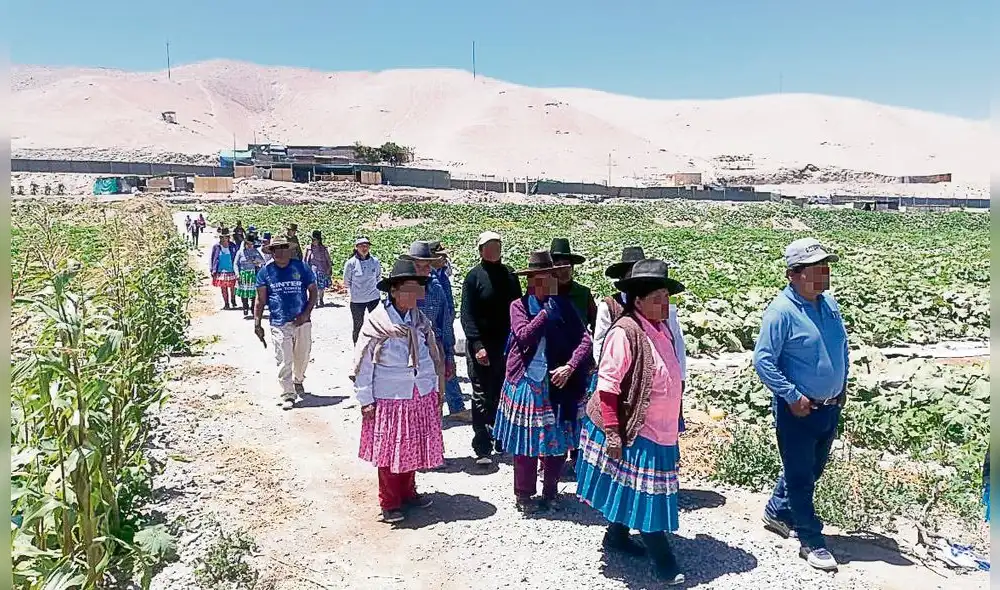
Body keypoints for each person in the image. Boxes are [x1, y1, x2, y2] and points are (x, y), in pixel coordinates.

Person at [575, 259, 687, 586]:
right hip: (636, 430)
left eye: (666, 296)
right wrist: (612, 433)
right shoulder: (625, 333)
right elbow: (608, 388)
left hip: (661, 429)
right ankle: (665, 561)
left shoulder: (661, 327)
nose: (664, 304)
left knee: (633, 489)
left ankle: (616, 536)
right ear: (637, 301)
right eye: (657, 298)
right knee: (649, 496)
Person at [754, 237, 847, 572]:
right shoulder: (781, 312)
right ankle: (811, 540)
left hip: (829, 406)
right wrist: (792, 396)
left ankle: (777, 510)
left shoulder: (829, 304)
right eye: (817, 269)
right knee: (800, 476)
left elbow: (841, 348)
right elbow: (763, 360)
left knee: (812, 469)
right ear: (793, 273)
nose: (825, 274)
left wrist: (842, 384)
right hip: (798, 410)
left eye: (826, 268)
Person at [494, 250, 593, 512]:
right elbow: (524, 335)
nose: (545, 283)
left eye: (549, 277)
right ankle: (524, 494)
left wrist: (570, 367)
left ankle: (551, 492)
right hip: (526, 380)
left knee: (557, 440)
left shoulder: (564, 306)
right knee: (526, 442)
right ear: (530, 281)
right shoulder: (519, 306)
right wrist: (546, 313)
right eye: (539, 278)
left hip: (557, 382)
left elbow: (585, 339)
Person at [350, 257, 446, 524]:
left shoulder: (419, 320)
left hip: (418, 391)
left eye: (418, 288)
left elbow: (429, 355)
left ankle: (408, 491)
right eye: (410, 289)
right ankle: (389, 501)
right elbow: (364, 364)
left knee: (412, 444)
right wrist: (365, 399)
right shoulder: (377, 323)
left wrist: (435, 388)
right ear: (394, 291)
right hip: (390, 395)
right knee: (390, 448)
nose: (416, 294)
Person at [594, 247, 688, 431]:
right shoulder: (611, 309)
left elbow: (677, 342)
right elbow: (599, 345)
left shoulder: (666, 311)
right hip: (626, 381)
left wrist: (679, 377)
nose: (663, 302)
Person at [460, 231, 523, 465]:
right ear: (480, 251)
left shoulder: (510, 275)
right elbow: (467, 315)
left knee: (502, 392)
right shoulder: (473, 277)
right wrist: (477, 344)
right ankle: (482, 443)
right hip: (481, 346)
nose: (493, 249)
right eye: (489, 246)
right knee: (481, 394)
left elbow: (518, 309)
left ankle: (500, 436)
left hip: (506, 345)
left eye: (497, 245)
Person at [254, 236, 318, 410]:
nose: (280, 252)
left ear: (289, 250)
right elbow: (260, 300)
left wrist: (306, 314)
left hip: (302, 321)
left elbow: (313, 291)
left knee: (302, 356)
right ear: (272, 252)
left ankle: (298, 380)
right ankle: (288, 393)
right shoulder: (265, 272)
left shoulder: (301, 267)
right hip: (279, 322)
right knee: (284, 358)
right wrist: (257, 322)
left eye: (283, 248)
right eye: (276, 249)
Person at [405, 241, 462, 419]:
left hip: (433, 350)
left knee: (433, 397)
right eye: (418, 266)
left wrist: (449, 356)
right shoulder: (399, 289)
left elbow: (445, 324)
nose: (423, 271)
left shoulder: (436, 289)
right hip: (405, 351)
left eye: (426, 266)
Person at [428, 240, 470, 420]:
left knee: (447, 367)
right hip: (435, 331)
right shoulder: (429, 280)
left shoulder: (441, 274)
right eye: (441, 255)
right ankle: (454, 407)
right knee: (443, 367)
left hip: (445, 326)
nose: (445, 257)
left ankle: (455, 407)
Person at [550, 238, 598, 332]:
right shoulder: (543, 293)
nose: (563, 270)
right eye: (558, 266)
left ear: (572, 268)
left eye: (566, 265)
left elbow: (596, 324)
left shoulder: (583, 293)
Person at [344, 236, 383, 344]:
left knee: (377, 323)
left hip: (373, 298)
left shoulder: (375, 261)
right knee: (358, 325)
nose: (364, 248)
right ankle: (358, 348)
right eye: (361, 246)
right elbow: (347, 282)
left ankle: (376, 346)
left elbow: (378, 277)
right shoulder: (350, 263)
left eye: (366, 246)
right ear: (356, 247)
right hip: (357, 300)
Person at [234, 231, 265, 318]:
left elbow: (263, 261)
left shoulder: (255, 251)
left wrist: (256, 261)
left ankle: (252, 307)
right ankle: (245, 306)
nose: (250, 245)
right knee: (244, 292)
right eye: (248, 244)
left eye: (251, 244)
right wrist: (237, 274)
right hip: (243, 274)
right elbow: (235, 264)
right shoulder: (240, 252)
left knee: (253, 293)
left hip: (252, 273)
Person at [210, 229, 239, 309]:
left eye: (225, 237)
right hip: (221, 271)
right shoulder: (216, 247)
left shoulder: (232, 246)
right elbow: (213, 258)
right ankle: (226, 303)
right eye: (222, 237)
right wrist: (212, 269)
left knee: (233, 287)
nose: (224, 239)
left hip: (231, 270)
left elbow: (236, 257)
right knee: (223, 288)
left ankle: (233, 299)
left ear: (228, 237)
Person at [305, 230, 334, 307]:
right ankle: (314, 301)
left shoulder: (323, 249)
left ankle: (320, 299)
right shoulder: (308, 248)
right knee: (313, 286)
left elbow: (328, 259)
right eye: (312, 240)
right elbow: (305, 260)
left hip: (322, 270)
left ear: (318, 240)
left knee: (321, 287)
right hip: (311, 270)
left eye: (314, 240)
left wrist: (329, 268)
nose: (313, 241)